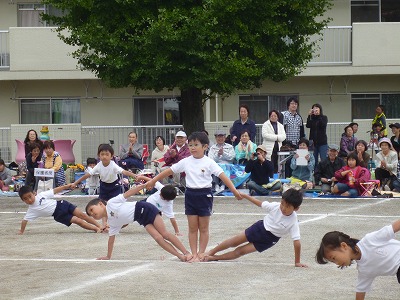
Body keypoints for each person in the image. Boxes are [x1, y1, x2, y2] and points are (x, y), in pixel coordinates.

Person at [145, 132, 242, 262]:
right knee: (192, 228)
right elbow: (168, 171)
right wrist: (152, 181)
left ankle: (201, 253)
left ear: (205, 146)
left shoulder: (209, 162)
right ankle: (194, 253)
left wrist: (234, 191)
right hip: (190, 195)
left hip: (205, 195)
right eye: (190, 145)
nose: (193, 148)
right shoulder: (185, 161)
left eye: (196, 145)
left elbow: (223, 176)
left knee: (203, 227)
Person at [85, 184, 191, 261]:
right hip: (141, 219)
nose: (92, 214)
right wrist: (108, 256)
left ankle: (186, 252)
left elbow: (128, 193)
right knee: (158, 238)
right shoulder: (112, 222)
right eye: (90, 215)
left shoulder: (111, 203)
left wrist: (143, 186)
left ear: (100, 204)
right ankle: (180, 256)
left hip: (146, 208)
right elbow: (111, 239)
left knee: (164, 234)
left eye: (92, 210)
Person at [204, 189, 307, 267]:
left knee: (240, 251)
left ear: (296, 209)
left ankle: (214, 258)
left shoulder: (293, 220)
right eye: (282, 204)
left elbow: (297, 242)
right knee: (234, 241)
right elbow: (260, 204)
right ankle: (211, 252)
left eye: (287, 207)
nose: (283, 208)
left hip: (269, 240)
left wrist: (297, 262)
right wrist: (246, 196)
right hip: (259, 228)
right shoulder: (275, 206)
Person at [316, 219, 400, 300]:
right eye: (333, 262)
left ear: (344, 246)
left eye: (334, 258)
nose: (337, 263)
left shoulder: (370, 240)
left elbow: (393, 228)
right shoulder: (364, 269)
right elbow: (361, 290)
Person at [18, 184, 102, 234]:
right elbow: (24, 221)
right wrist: (21, 231)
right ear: (22, 200)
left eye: (30, 196)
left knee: (82, 215)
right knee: (78, 221)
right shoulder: (31, 210)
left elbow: (55, 190)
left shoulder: (41, 195)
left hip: (62, 204)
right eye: (25, 199)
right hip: (59, 215)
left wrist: (67, 186)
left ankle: (99, 225)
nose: (29, 200)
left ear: (34, 193)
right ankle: (96, 229)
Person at [72, 144, 136, 201]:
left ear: (111, 156)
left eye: (107, 154)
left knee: (115, 203)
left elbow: (124, 172)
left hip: (114, 186)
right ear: (98, 156)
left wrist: (135, 176)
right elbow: (88, 175)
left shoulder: (113, 165)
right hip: (103, 186)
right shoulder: (98, 165)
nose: (104, 156)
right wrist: (75, 183)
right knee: (102, 203)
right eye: (102, 154)